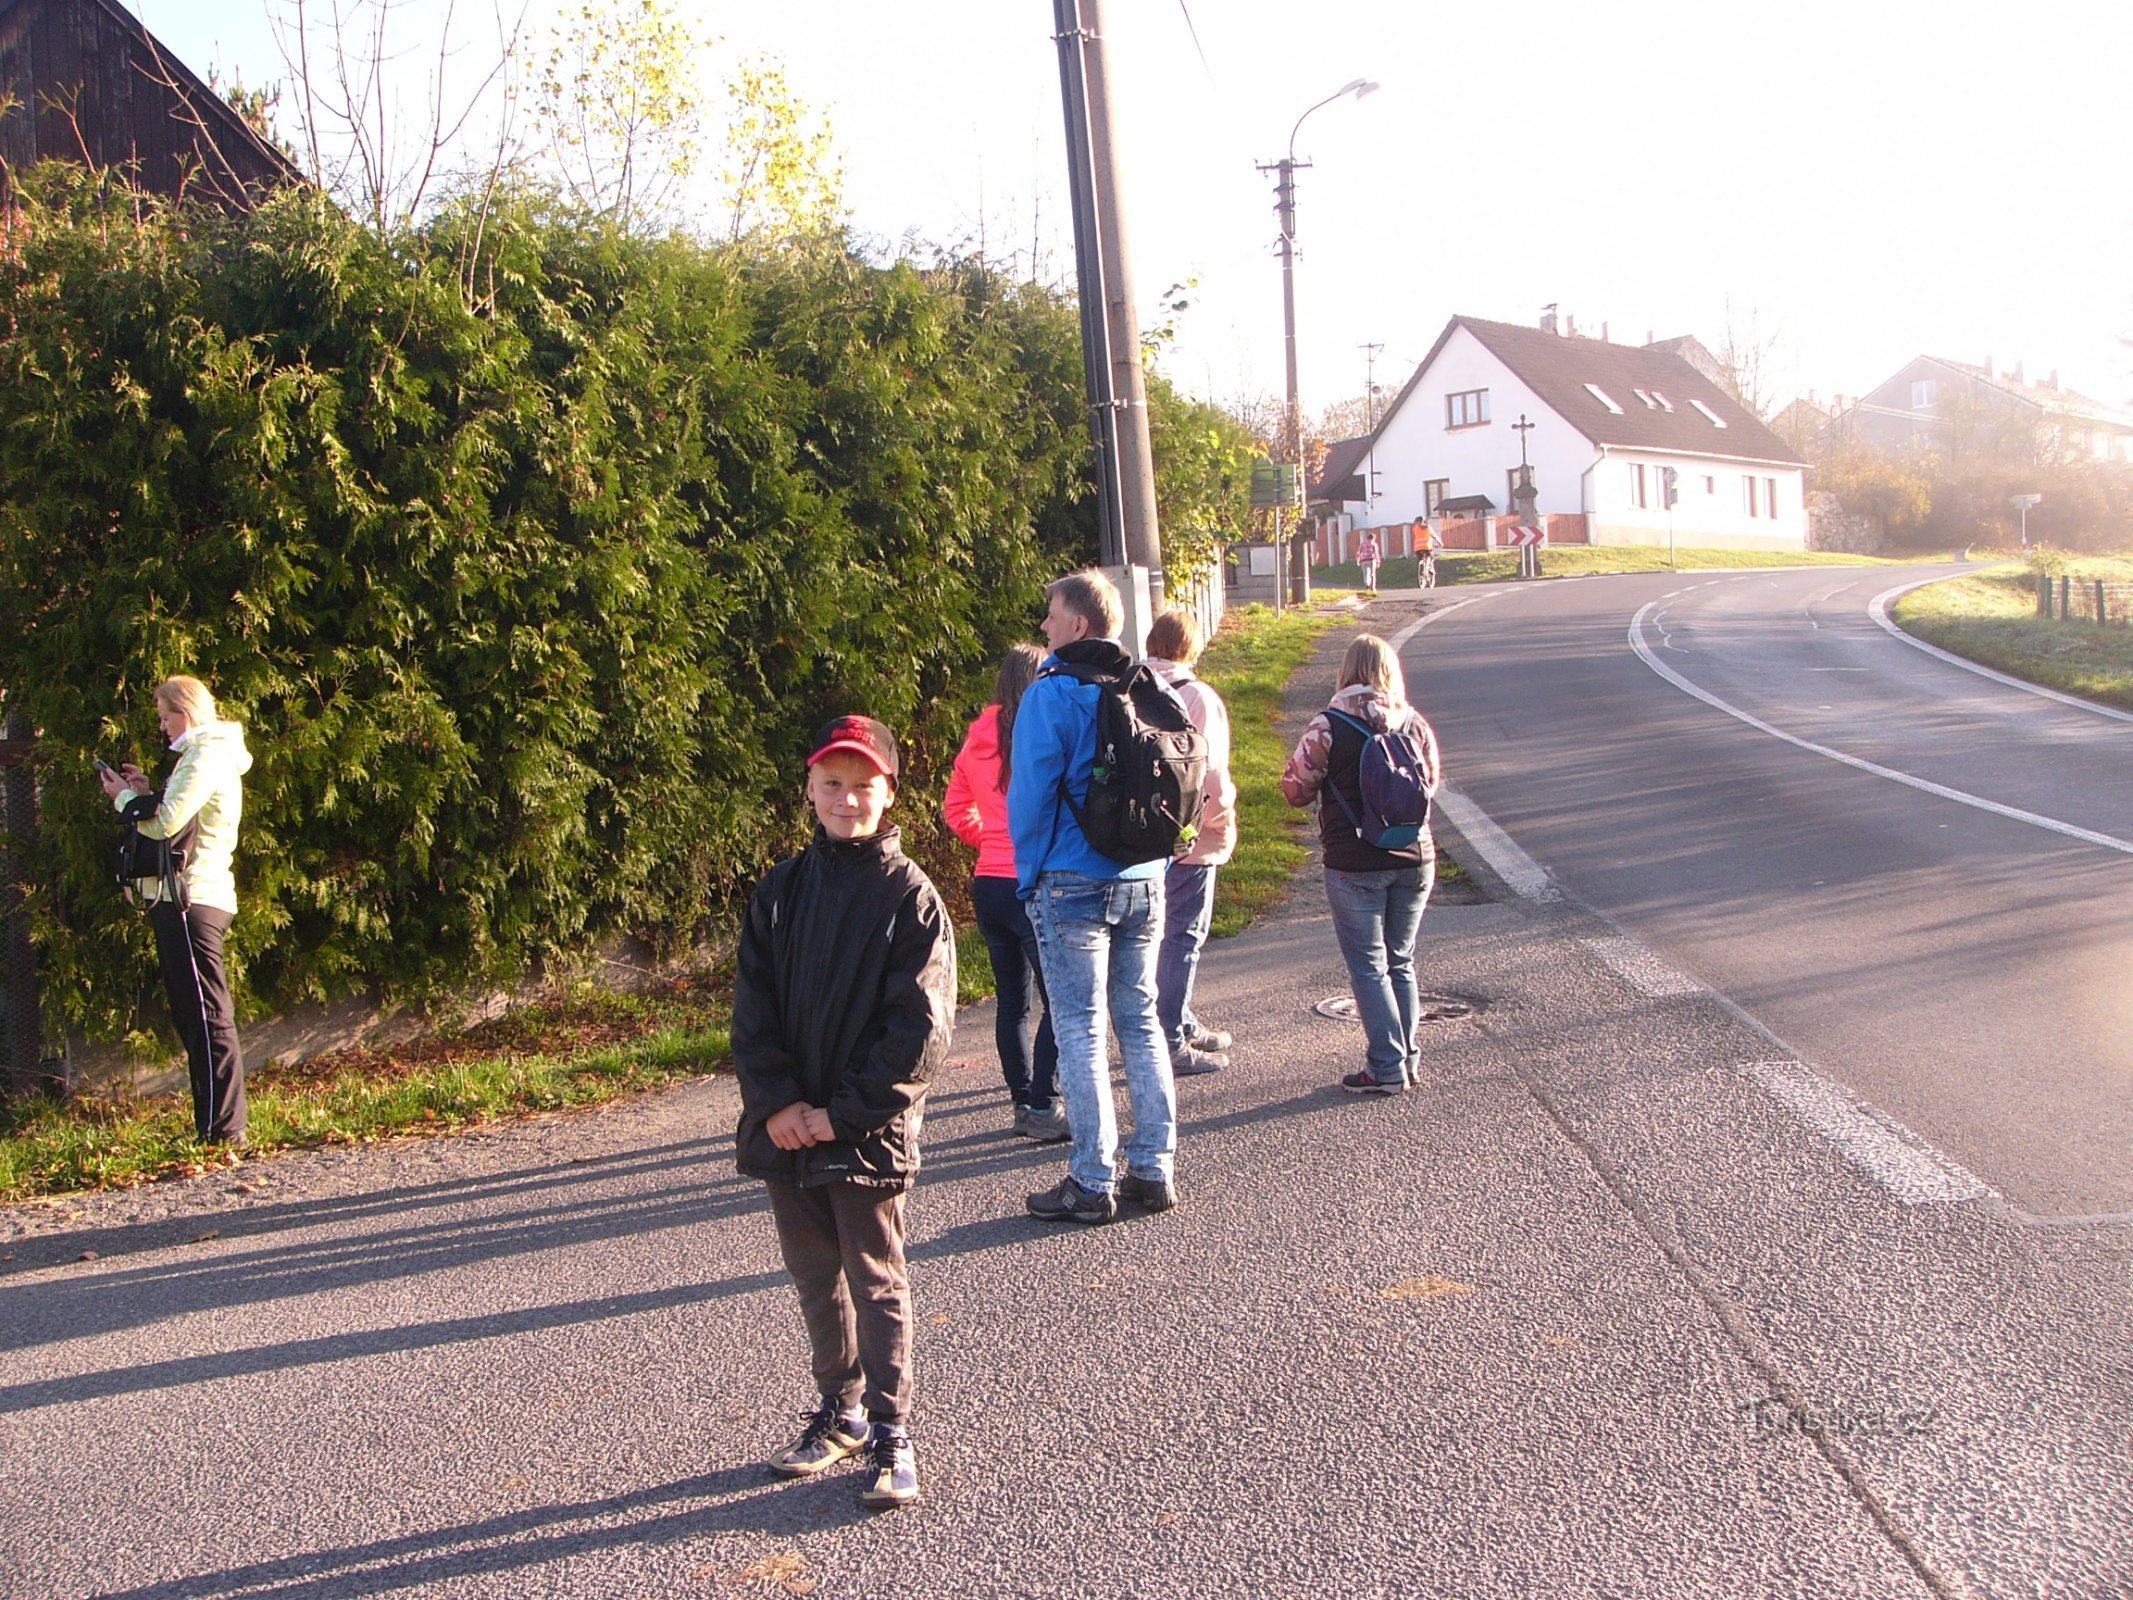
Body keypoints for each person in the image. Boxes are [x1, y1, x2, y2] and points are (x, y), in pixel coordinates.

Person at [732, 715, 956, 1510]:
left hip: (864, 1131)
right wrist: (779, 1104)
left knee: (875, 1279)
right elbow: (751, 1009)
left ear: (890, 792)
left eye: (863, 785)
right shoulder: (782, 891)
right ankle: (842, 1408)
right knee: (812, 1275)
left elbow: (918, 1033)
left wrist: (842, 1115)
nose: (846, 799)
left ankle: (894, 1429)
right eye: (831, 784)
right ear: (808, 791)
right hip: (788, 1128)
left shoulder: (912, 899)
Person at [1009, 569, 1177, 1225]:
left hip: (1071, 880)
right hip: (1144, 877)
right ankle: (1153, 1169)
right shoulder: (1149, 685)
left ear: (1078, 623)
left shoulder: (1050, 695)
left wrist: (1029, 880)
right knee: (1139, 1021)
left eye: (1051, 614)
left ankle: (1090, 1180)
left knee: (1078, 1027)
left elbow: (1029, 798)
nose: (1044, 626)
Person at [1281, 635, 1444, 1094]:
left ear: (1346, 671)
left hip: (1354, 860)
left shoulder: (1327, 726)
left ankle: (1386, 1067)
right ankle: (1407, 1058)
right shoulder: (1414, 723)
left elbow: (1295, 791)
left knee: (1369, 967)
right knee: (1402, 960)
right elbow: (1431, 783)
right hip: (1415, 857)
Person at [98, 675, 254, 1147]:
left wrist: (124, 799)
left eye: (166, 716)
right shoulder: (201, 756)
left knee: (206, 1013)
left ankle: (224, 1130)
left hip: (192, 898)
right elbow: (174, 810)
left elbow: (166, 822)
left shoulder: (207, 754)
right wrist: (144, 790)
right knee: (195, 1013)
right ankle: (214, 1126)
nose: (163, 726)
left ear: (186, 711)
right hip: (189, 897)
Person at [943, 643, 1066, 1142]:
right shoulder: (1042, 730)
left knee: (1011, 1003)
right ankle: (1044, 1101)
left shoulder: (977, 738)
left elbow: (956, 810)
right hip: (1032, 881)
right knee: (1059, 997)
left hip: (988, 883)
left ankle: (1022, 1100)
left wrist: (991, 840)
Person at [1143, 608, 1235, 1078]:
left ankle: (1175, 1018)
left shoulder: (1131, 691)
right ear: (1190, 647)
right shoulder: (1198, 697)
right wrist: (1219, 820)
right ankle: (1171, 1039)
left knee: (1152, 936)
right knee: (1184, 936)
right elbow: (1212, 777)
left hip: (1141, 836)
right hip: (1190, 836)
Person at [1356, 530, 1382, 596]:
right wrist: (1378, 561)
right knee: (1373, 574)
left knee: (1366, 574)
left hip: (1364, 560)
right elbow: (1376, 553)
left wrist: (1358, 560)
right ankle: (1373, 587)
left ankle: (1367, 585)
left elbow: (1358, 552)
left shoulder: (1362, 544)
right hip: (1372, 560)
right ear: (1373, 538)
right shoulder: (1374, 544)